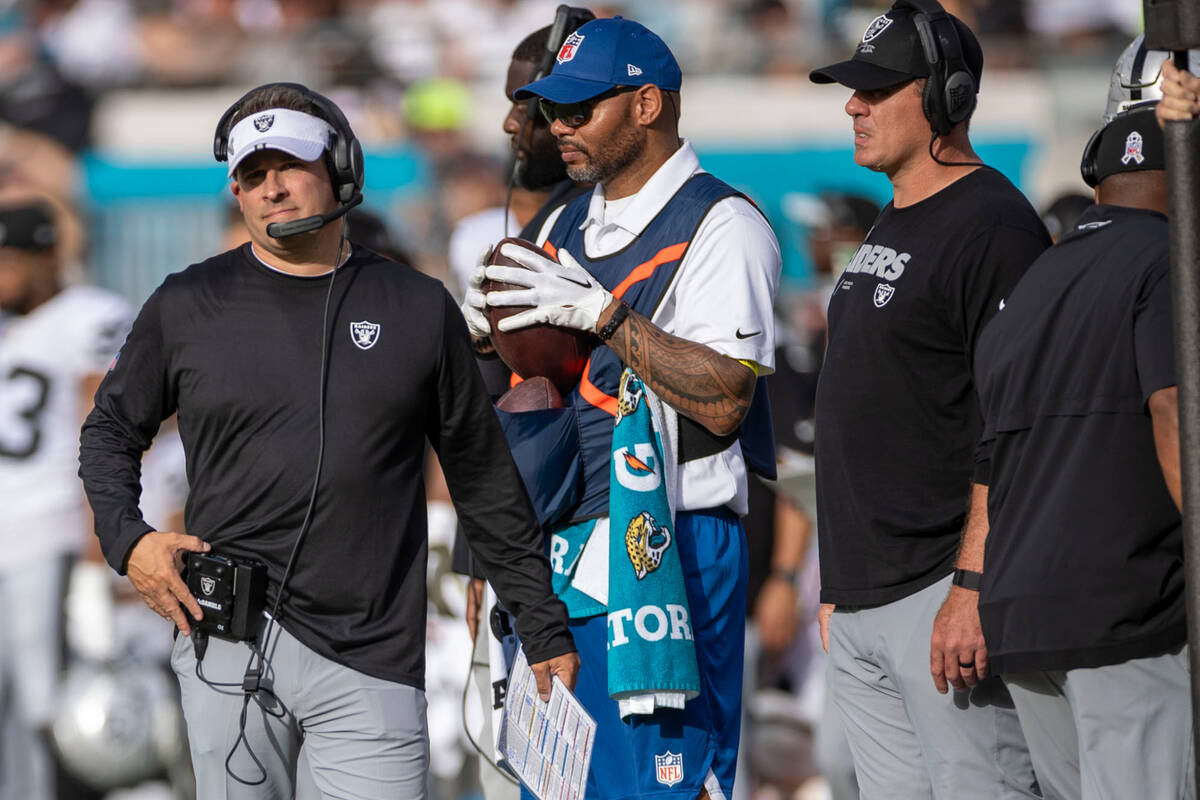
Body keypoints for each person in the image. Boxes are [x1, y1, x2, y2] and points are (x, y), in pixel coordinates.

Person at [77, 82, 578, 800]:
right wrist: (130, 541)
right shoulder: (186, 303)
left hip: (373, 652)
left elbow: (482, 475)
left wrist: (542, 622)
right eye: (252, 175)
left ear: (341, 168)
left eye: (289, 166)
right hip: (227, 644)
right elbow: (108, 435)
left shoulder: (415, 306)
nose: (271, 189)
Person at [464, 16, 781, 800]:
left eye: (580, 110)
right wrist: (481, 339)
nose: (558, 128)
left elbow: (725, 399)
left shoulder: (721, 222)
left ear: (646, 105)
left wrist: (603, 316)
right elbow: (529, 394)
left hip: (666, 541)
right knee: (560, 787)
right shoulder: (561, 219)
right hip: (560, 548)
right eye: (554, 111)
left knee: (666, 786)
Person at [807, 1, 1050, 795]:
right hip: (865, 597)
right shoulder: (897, 216)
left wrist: (972, 586)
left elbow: (1013, 421)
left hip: (941, 592)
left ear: (945, 96)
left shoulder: (993, 224)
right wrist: (839, 588)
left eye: (877, 90)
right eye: (854, 90)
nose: (854, 105)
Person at [971, 37, 1194, 799]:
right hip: (1128, 613)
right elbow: (1173, 419)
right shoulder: (1170, 263)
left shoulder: (1035, 279)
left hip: (1022, 616)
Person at [0, 194, 132, 800]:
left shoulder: (91, 313)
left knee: (48, 702)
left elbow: (104, 430)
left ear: (48, 255)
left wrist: (94, 544)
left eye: (10, 259)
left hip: (49, 530)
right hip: (10, 528)